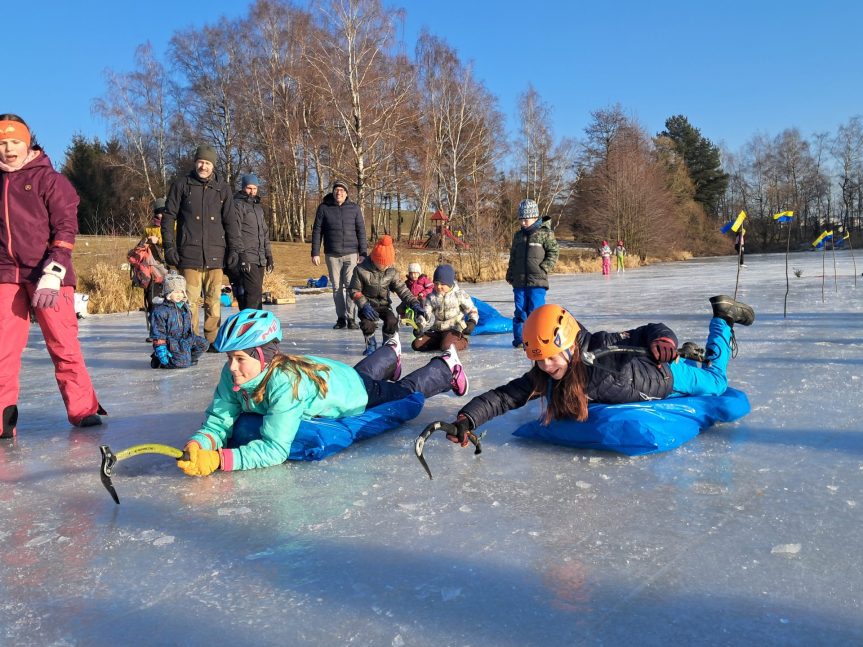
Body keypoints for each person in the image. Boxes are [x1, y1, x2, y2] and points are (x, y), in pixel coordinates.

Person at [432, 296, 755, 446]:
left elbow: (649, 329)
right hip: (646, 381)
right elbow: (505, 397)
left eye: (552, 358)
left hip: (666, 377)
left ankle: (722, 319)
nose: (547, 366)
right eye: (539, 360)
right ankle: (692, 351)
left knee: (717, 382)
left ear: (570, 344)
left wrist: (664, 341)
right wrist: (467, 420)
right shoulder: (545, 373)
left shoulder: (601, 347)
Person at [175, 309, 469, 475]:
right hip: (331, 375)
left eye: (240, 358)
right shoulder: (233, 375)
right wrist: (200, 442)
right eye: (229, 358)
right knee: (363, 375)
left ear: (263, 356)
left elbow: (276, 449)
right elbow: (219, 419)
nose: (232, 367)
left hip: (353, 393)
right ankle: (390, 354)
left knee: (402, 393)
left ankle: (445, 368)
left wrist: (220, 460)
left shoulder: (284, 384)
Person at [0, 114, 105, 435]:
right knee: (2, 349)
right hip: (6, 273)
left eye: (15, 141)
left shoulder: (49, 180)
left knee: (63, 342)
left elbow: (66, 226)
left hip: (47, 273)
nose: (8, 149)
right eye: (2, 143)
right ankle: (2, 418)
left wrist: (55, 269)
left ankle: (83, 408)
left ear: (28, 142)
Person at [161, 144, 240, 346]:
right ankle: (192, 340)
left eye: (207, 163)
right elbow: (168, 217)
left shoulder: (222, 189)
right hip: (189, 254)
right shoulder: (182, 185)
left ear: (213, 165)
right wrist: (169, 246)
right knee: (190, 301)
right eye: (200, 162)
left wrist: (234, 249)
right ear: (195, 162)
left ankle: (212, 339)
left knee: (214, 301)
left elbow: (231, 221)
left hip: (216, 255)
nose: (203, 166)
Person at [349, 235, 423, 355]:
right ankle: (371, 344)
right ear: (375, 259)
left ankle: (387, 342)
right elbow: (354, 290)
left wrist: (414, 303)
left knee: (392, 321)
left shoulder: (391, 271)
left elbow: (402, 290)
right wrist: (364, 305)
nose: (386, 266)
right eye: (384, 264)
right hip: (367, 305)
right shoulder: (361, 270)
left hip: (384, 305)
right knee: (367, 324)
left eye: (389, 264)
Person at [311, 180, 367, 330]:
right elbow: (317, 231)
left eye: (342, 190)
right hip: (332, 254)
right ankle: (341, 318)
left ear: (346, 194)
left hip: (351, 254)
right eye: (337, 189)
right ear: (333, 192)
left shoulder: (354, 208)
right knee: (336, 287)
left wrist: (363, 253)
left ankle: (351, 318)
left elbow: (361, 231)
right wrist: (315, 252)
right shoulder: (324, 208)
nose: (339, 192)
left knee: (350, 286)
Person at [506, 199, 559, 348]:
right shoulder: (518, 236)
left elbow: (554, 252)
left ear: (535, 217)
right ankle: (520, 340)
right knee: (520, 311)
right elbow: (513, 256)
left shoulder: (545, 234)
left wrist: (544, 267)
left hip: (537, 281)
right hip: (519, 281)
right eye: (521, 219)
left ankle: (538, 339)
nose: (523, 223)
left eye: (526, 219)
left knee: (536, 311)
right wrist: (510, 273)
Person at [228, 174, 273, 310]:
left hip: (260, 256)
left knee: (256, 292)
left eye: (255, 188)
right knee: (253, 292)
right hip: (247, 255)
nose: (252, 191)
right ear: (243, 188)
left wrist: (269, 255)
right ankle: (251, 319)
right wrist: (241, 256)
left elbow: (264, 233)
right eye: (249, 188)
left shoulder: (258, 207)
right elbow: (235, 232)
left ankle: (255, 319)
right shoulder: (237, 205)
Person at [412, 264, 479, 353]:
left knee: (447, 346)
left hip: (454, 329)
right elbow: (426, 314)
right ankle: (443, 342)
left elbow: (472, 310)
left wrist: (472, 322)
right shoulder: (431, 297)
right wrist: (419, 325)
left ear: (450, 283)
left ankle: (462, 341)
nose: (439, 286)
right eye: (436, 283)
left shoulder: (459, 295)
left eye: (442, 284)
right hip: (437, 329)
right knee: (417, 344)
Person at [149, 272, 209, 369]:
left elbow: (189, 326)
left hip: (185, 338)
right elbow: (158, 332)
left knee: (204, 344)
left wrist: (192, 337)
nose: (179, 295)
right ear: (168, 293)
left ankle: (187, 358)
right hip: (170, 342)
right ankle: (161, 361)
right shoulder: (160, 310)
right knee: (182, 363)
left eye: (181, 292)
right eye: (176, 292)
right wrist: (160, 347)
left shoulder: (185, 307)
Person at [141, 198, 168, 341]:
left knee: (169, 300)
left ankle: (169, 329)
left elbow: (175, 243)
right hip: (152, 270)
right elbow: (141, 247)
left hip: (169, 268)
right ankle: (155, 331)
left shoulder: (174, 226)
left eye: (163, 211)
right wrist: (145, 243)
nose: (161, 215)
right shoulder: (148, 229)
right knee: (152, 300)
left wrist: (160, 241)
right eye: (158, 212)